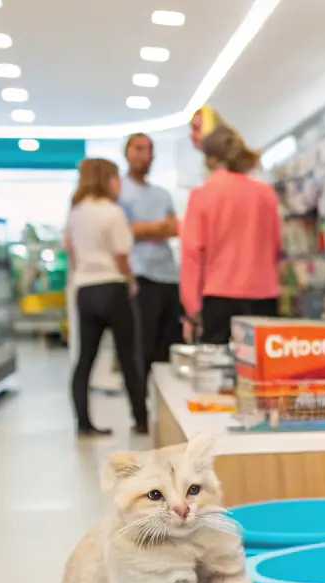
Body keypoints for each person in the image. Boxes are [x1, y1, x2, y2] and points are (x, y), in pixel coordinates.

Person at [178, 125, 281, 346]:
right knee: (259, 372)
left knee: (218, 371)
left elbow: (192, 255)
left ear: (209, 158)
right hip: (264, 295)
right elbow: (275, 247)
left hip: (219, 296)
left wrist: (192, 308)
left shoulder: (202, 195)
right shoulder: (266, 194)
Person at [63, 157, 141, 437]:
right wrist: (131, 281)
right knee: (129, 356)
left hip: (86, 289)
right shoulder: (113, 212)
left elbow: (70, 250)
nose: (120, 183)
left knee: (85, 358)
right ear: (106, 179)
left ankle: (83, 423)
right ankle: (141, 418)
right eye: (116, 177)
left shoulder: (75, 212)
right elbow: (121, 254)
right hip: (112, 287)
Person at [119, 133, 179, 415]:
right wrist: (157, 228)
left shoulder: (162, 194)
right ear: (127, 152)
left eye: (149, 150)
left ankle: (167, 406)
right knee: (141, 345)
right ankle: (140, 411)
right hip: (140, 278)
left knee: (168, 347)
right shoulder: (119, 191)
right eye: (139, 148)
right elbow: (124, 232)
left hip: (169, 277)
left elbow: (174, 228)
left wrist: (145, 228)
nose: (145, 155)